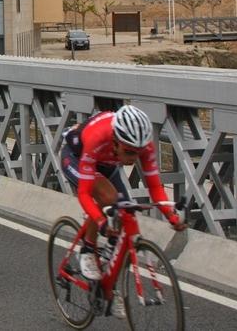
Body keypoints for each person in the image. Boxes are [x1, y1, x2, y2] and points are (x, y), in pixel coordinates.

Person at [61, 105, 187, 317]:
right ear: (115, 141)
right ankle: (88, 250)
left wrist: (172, 216)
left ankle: (108, 288)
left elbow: (155, 187)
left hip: (108, 164)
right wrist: (101, 221)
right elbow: (84, 194)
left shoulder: (142, 146)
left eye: (138, 153)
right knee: (108, 198)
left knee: (126, 214)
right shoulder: (97, 137)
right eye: (129, 152)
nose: (133, 158)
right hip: (76, 157)